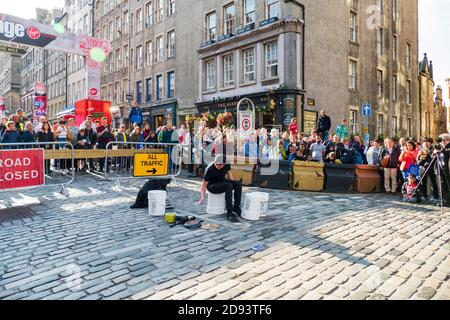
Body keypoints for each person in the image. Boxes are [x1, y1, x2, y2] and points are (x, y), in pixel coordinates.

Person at [198, 155, 242, 223]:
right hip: (212, 186)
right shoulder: (209, 169)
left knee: (238, 184)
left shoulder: (227, 165)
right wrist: (202, 197)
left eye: (220, 165)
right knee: (228, 186)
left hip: (222, 181)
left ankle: (236, 207)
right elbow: (203, 186)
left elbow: (228, 172)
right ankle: (229, 213)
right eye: (216, 164)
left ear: (224, 164)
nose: (218, 166)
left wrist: (233, 183)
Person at [417, 138, 439, 203]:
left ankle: (435, 197)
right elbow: (418, 160)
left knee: (433, 183)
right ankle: (424, 196)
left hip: (430, 168)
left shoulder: (433, 149)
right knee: (423, 183)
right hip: (422, 168)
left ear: (430, 143)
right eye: (424, 142)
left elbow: (434, 159)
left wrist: (428, 159)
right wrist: (420, 157)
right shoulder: (422, 150)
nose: (425, 143)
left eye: (427, 142)